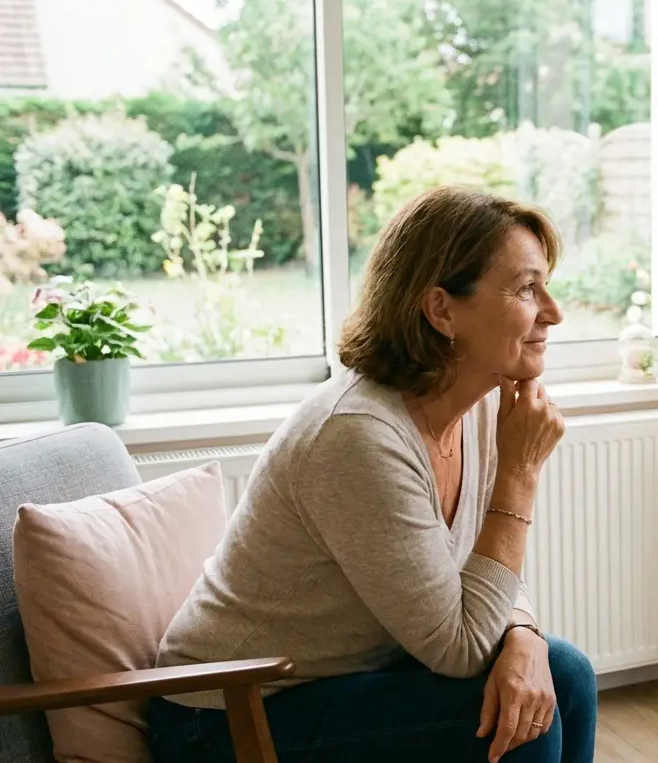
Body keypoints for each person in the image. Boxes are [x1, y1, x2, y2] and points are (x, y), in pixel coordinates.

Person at [148, 186, 597, 763]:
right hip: (224, 716)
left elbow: (486, 567)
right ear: (441, 310)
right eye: (526, 289)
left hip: (345, 680)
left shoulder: (483, 404)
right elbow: (458, 648)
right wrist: (521, 474)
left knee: (566, 676)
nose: (553, 313)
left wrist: (525, 635)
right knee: (508, 721)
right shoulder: (358, 436)